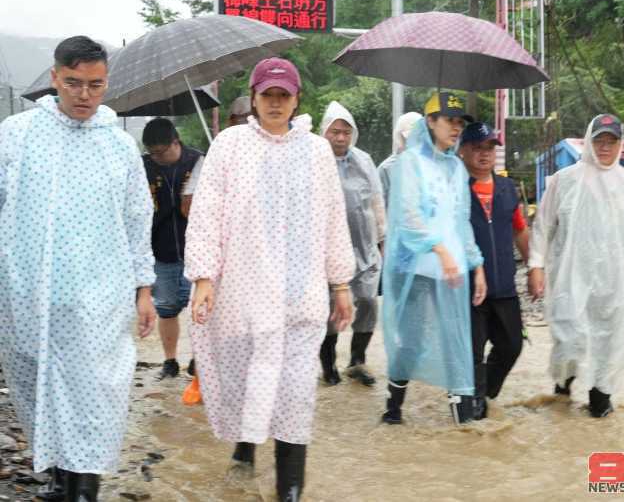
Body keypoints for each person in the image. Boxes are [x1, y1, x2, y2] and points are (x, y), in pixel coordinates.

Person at [184, 57, 355, 501]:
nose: (276, 103)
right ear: (255, 98)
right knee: (249, 384)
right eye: (268, 95)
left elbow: (334, 217)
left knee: (297, 395)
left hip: (301, 297)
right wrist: (203, 276)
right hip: (243, 291)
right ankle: (244, 451)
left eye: (284, 95)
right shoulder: (229, 144)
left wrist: (340, 283)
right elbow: (205, 213)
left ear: (297, 99)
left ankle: (290, 492)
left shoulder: (316, 150)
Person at [0, 36, 156, 502]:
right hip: (27, 294)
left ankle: (84, 488)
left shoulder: (119, 146)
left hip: (98, 299)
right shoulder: (17, 135)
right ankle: (60, 477)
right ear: (54, 79)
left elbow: (136, 220)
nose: (85, 95)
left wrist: (144, 288)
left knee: (94, 394)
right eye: (73, 83)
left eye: (96, 85)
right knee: (36, 387)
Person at [528, 114, 624, 418]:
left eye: (611, 141)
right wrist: (536, 264)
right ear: (589, 141)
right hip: (570, 277)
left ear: (619, 144)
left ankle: (599, 398)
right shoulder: (565, 180)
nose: (604, 147)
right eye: (599, 140)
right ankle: (563, 392)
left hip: (615, 282)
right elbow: (543, 225)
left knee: (609, 340)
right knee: (569, 336)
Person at [381, 92, 487, 426]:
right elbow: (408, 219)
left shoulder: (456, 168)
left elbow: (462, 222)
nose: (456, 128)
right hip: (417, 270)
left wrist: (477, 265)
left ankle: (463, 423)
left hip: (452, 271)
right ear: (430, 122)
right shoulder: (410, 163)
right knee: (411, 341)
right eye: (449, 121)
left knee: (457, 340)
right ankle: (393, 408)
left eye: (460, 122)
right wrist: (440, 251)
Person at [459, 122, 529, 419]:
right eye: (477, 147)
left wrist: (535, 266)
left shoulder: (506, 188)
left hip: (504, 287)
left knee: (512, 345)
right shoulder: (455, 187)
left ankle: (484, 392)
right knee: (472, 353)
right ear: (462, 151)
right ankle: (474, 411)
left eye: (489, 148)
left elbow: (520, 230)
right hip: (468, 289)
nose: (484, 154)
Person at [318, 101, 385, 386]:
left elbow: (376, 201)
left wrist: (382, 239)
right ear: (325, 132)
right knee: (330, 309)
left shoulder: (364, 160)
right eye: (335, 131)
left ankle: (357, 360)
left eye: (346, 132)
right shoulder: (314, 160)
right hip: (328, 250)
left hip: (365, 247)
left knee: (369, 302)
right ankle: (328, 365)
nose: (341, 137)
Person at [142, 118, 203, 379]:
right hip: (161, 251)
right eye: (152, 153)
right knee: (166, 307)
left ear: (175, 142)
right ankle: (169, 361)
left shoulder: (199, 162)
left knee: (201, 310)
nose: (157, 158)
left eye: (161, 152)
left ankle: (199, 359)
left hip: (197, 252)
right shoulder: (143, 167)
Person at [377, 111, 423, 209]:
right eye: (409, 137)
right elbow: (379, 208)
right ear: (398, 136)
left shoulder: (431, 165)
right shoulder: (386, 169)